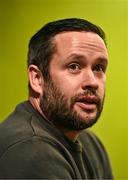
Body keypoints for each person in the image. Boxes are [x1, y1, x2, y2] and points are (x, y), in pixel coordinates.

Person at [0, 18, 113, 179]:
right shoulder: (30, 151)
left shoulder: (91, 143)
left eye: (98, 68)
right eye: (74, 66)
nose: (92, 82)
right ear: (37, 79)